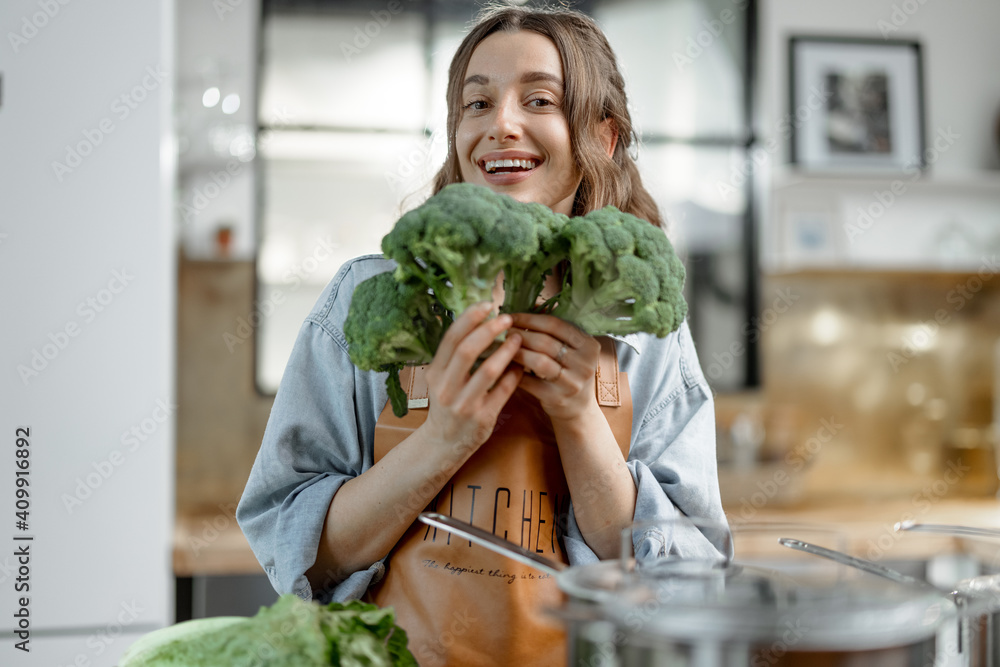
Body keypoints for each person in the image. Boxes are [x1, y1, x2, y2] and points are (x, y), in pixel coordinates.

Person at [237, 4, 727, 665]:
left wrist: (579, 416)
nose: (501, 124)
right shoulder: (366, 294)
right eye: (477, 102)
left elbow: (683, 577)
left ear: (603, 138)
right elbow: (298, 548)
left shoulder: (643, 327)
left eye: (539, 99)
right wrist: (443, 438)